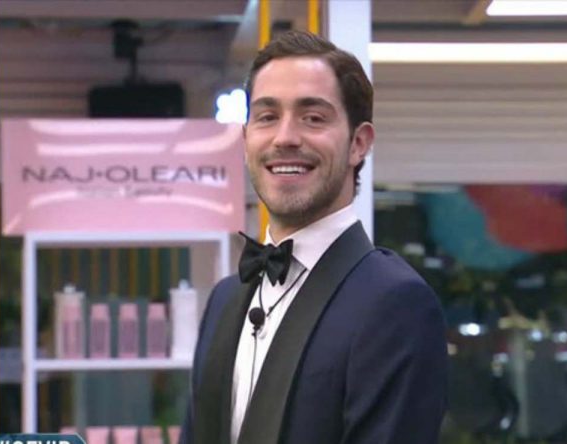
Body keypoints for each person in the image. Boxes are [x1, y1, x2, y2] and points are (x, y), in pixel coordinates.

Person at [180, 30, 448, 444]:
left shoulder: (395, 302)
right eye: (267, 116)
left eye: (313, 118)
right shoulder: (225, 299)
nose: (285, 137)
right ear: (247, 140)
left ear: (358, 144)